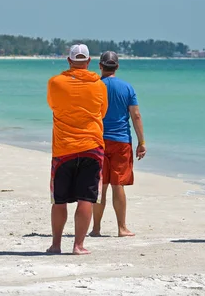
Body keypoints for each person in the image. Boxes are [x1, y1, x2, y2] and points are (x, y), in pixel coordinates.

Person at [46, 44, 108, 255]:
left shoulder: (55, 82)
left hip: (63, 148)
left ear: (69, 60)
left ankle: (56, 245)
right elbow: (102, 112)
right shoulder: (99, 85)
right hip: (92, 146)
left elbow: (53, 106)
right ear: (89, 62)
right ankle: (78, 245)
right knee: (86, 198)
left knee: (59, 200)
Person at [90, 51, 146, 238]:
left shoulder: (94, 86)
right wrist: (142, 142)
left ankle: (96, 228)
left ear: (100, 66)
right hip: (121, 141)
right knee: (118, 184)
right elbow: (135, 115)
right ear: (117, 66)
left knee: (100, 185)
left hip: (98, 140)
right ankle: (122, 228)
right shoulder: (127, 88)